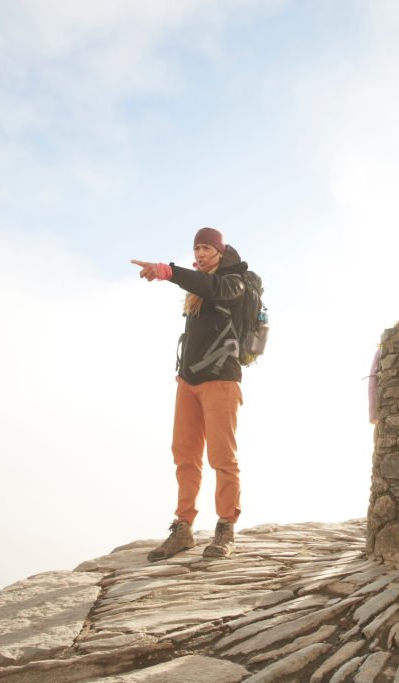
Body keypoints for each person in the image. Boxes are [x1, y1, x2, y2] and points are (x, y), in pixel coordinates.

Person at [131, 227, 247, 561]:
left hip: (221, 381)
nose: (199, 254)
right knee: (185, 455)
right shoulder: (198, 286)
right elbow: (200, 287)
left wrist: (168, 271)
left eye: (206, 248)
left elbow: (211, 288)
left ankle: (225, 527)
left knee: (222, 458)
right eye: (196, 248)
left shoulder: (234, 281)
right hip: (189, 381)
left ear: (220, 252)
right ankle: (183, 528)